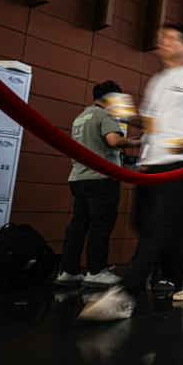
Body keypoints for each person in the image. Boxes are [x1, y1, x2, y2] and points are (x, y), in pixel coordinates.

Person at [80, 23, 183, 321]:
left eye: (170, 38)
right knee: (151, 223)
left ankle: (126, 293)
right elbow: (150, 123)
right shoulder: (158, 80)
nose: (163, 41)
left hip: (181, 160)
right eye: (161, 37)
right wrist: (127, 116)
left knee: (161, 225)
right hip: (151, 162)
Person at [56, 80, 140, 288]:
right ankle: (96, 271)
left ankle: (69, 271)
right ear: (110, 98)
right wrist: (136, 142)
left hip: (78, 178)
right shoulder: (104, 115)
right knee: (100, 225)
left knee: (78, 225)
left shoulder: (80, 118)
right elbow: (114, 141)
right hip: (101, 179)